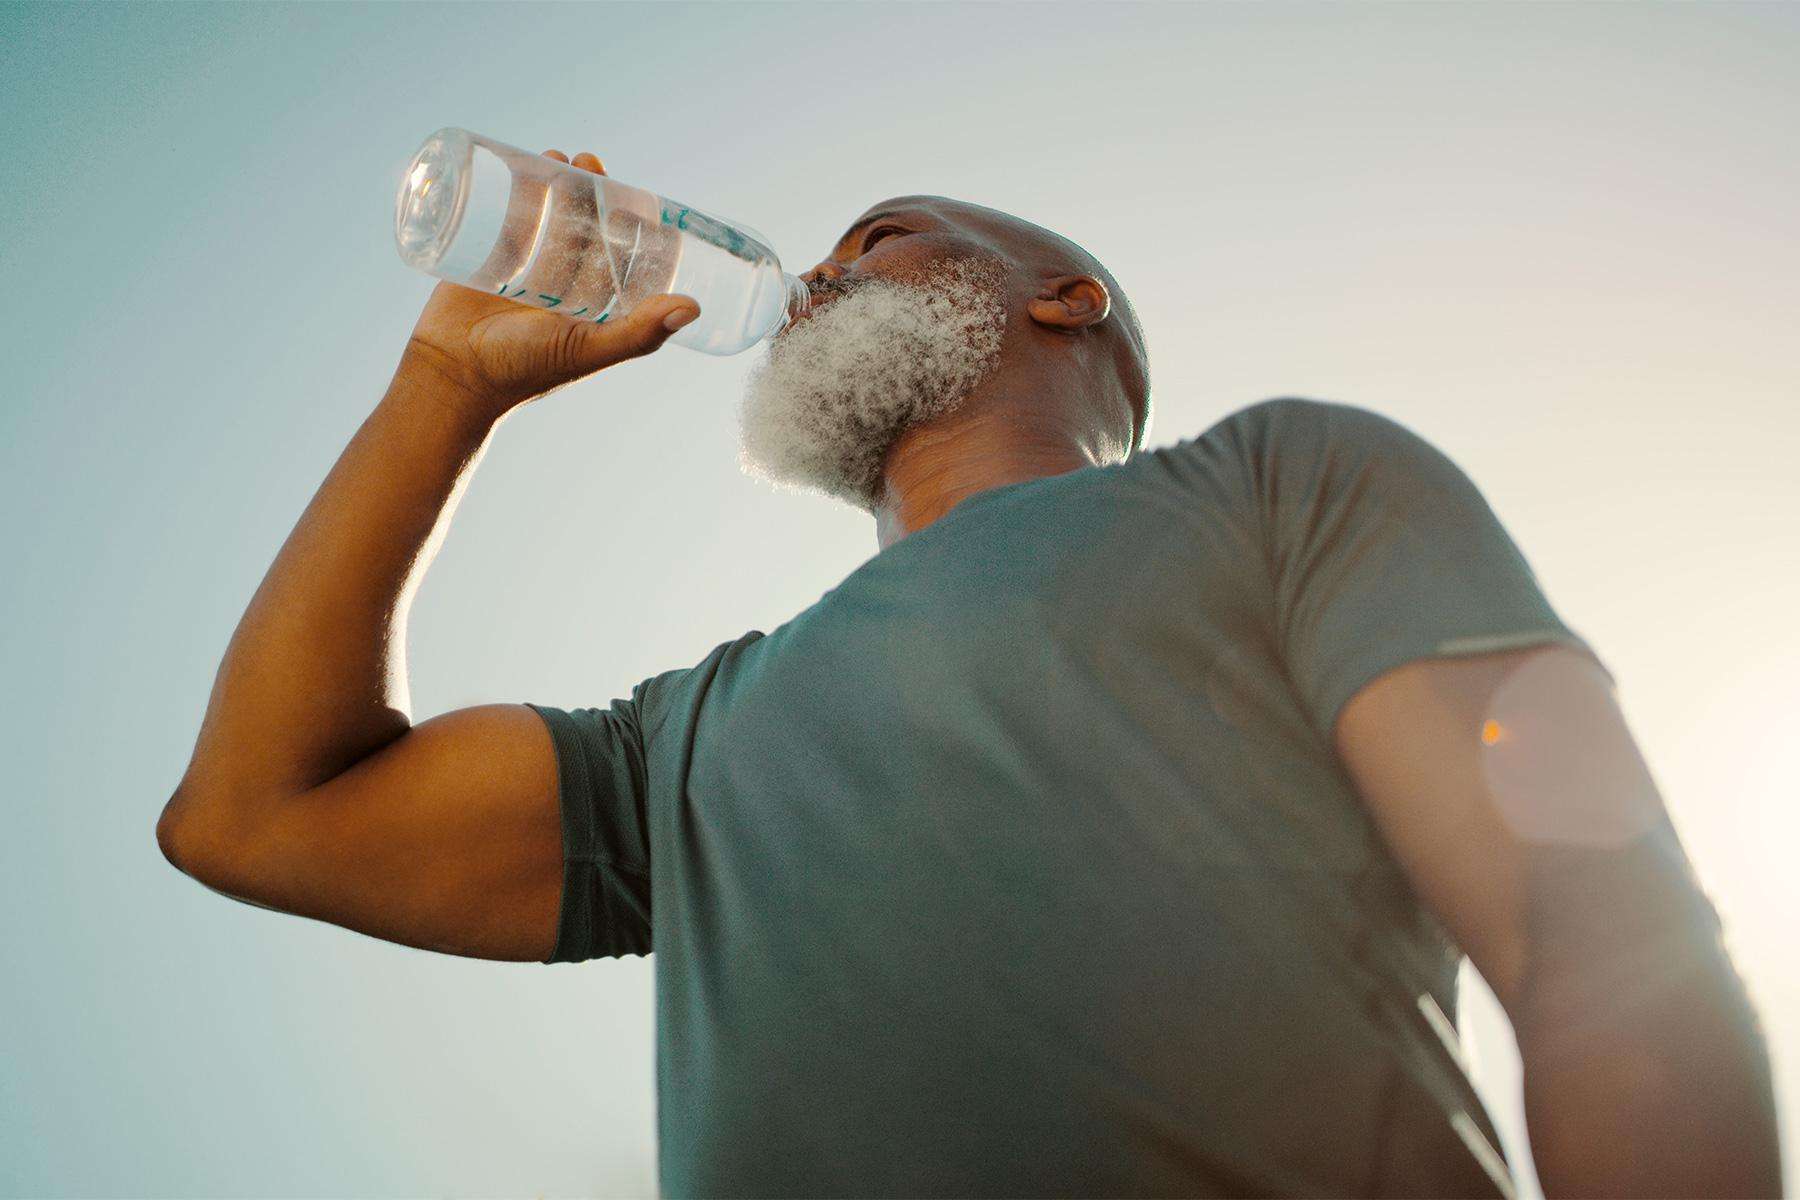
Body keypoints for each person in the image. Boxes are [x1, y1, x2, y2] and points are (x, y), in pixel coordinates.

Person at [157, 149, 1781, 1198]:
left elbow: (1597, 944)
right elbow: (259, 815)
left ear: (1062, 303)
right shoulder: (686, 738)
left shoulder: (1284, 486)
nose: (818, 265)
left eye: (886, 232)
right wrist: (446, 382)